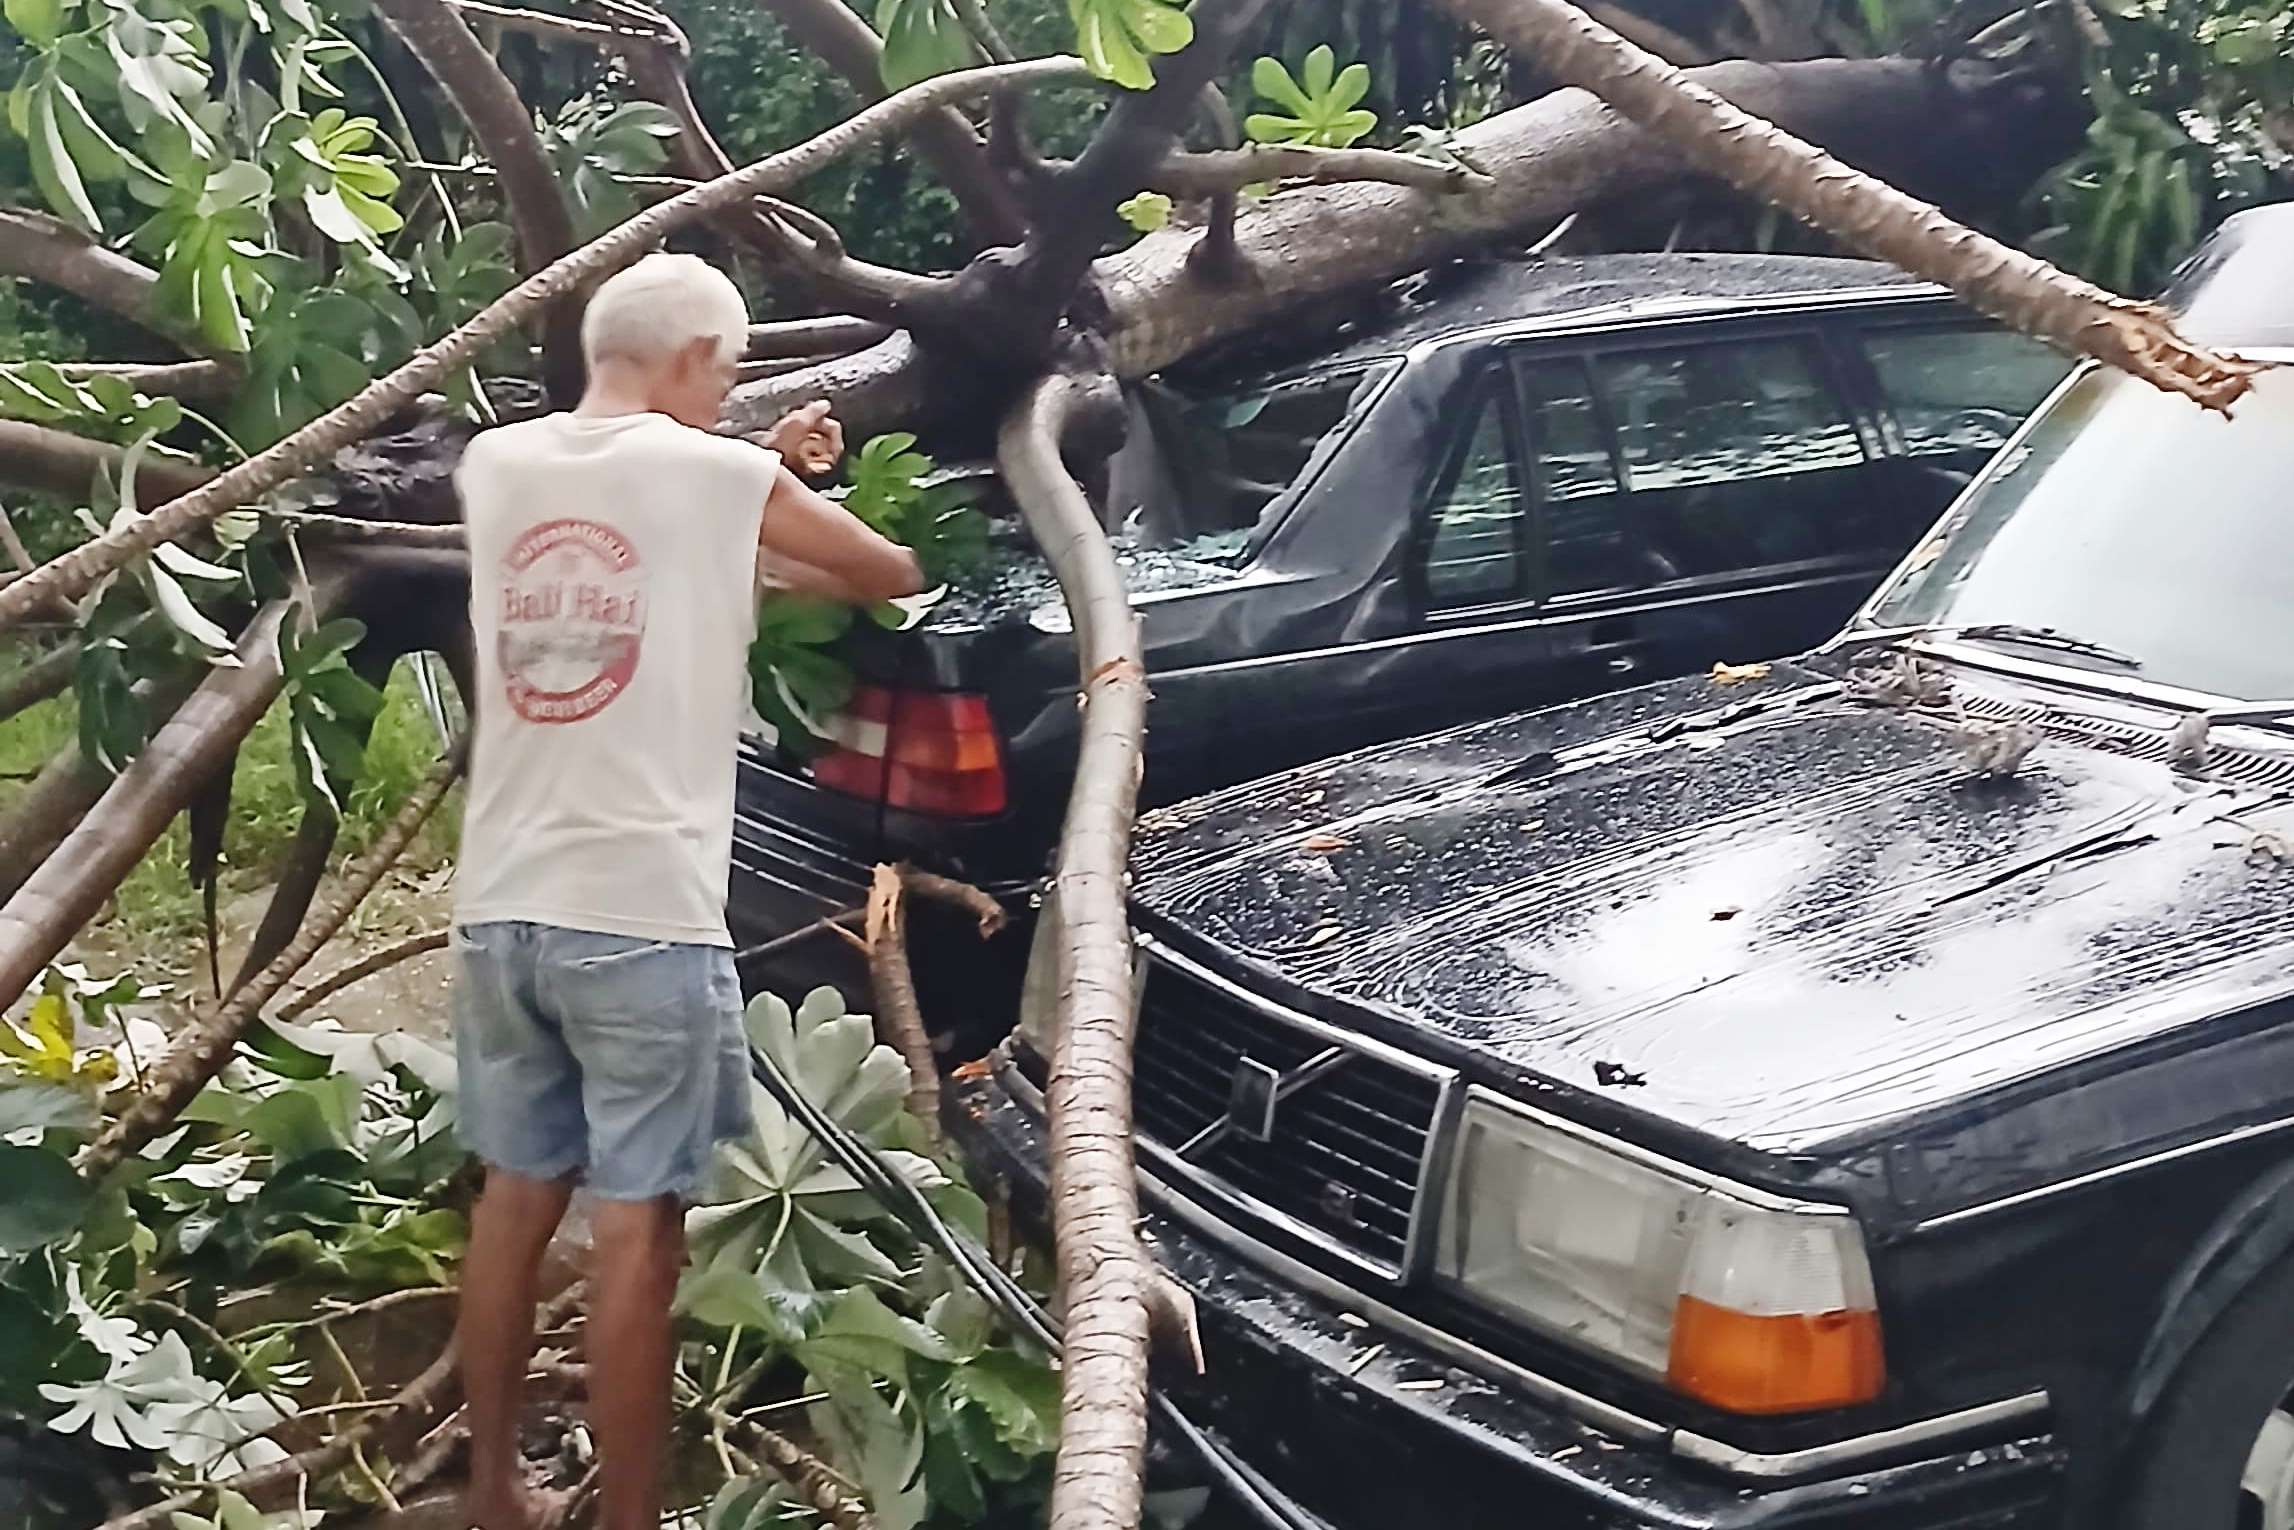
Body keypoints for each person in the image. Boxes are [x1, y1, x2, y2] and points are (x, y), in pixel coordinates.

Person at [448, 251, 924, 1530]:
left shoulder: (496, 468)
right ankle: (628, 1523)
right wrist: (771, 474)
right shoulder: (721, 477)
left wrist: (749, 476)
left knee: (514, 1198)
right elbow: (886, 570)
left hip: (499, 903)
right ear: (697, 363)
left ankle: (493, 1491)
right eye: (723, 374)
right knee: (635, 1233)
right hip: (639, 916)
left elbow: (663, 548)